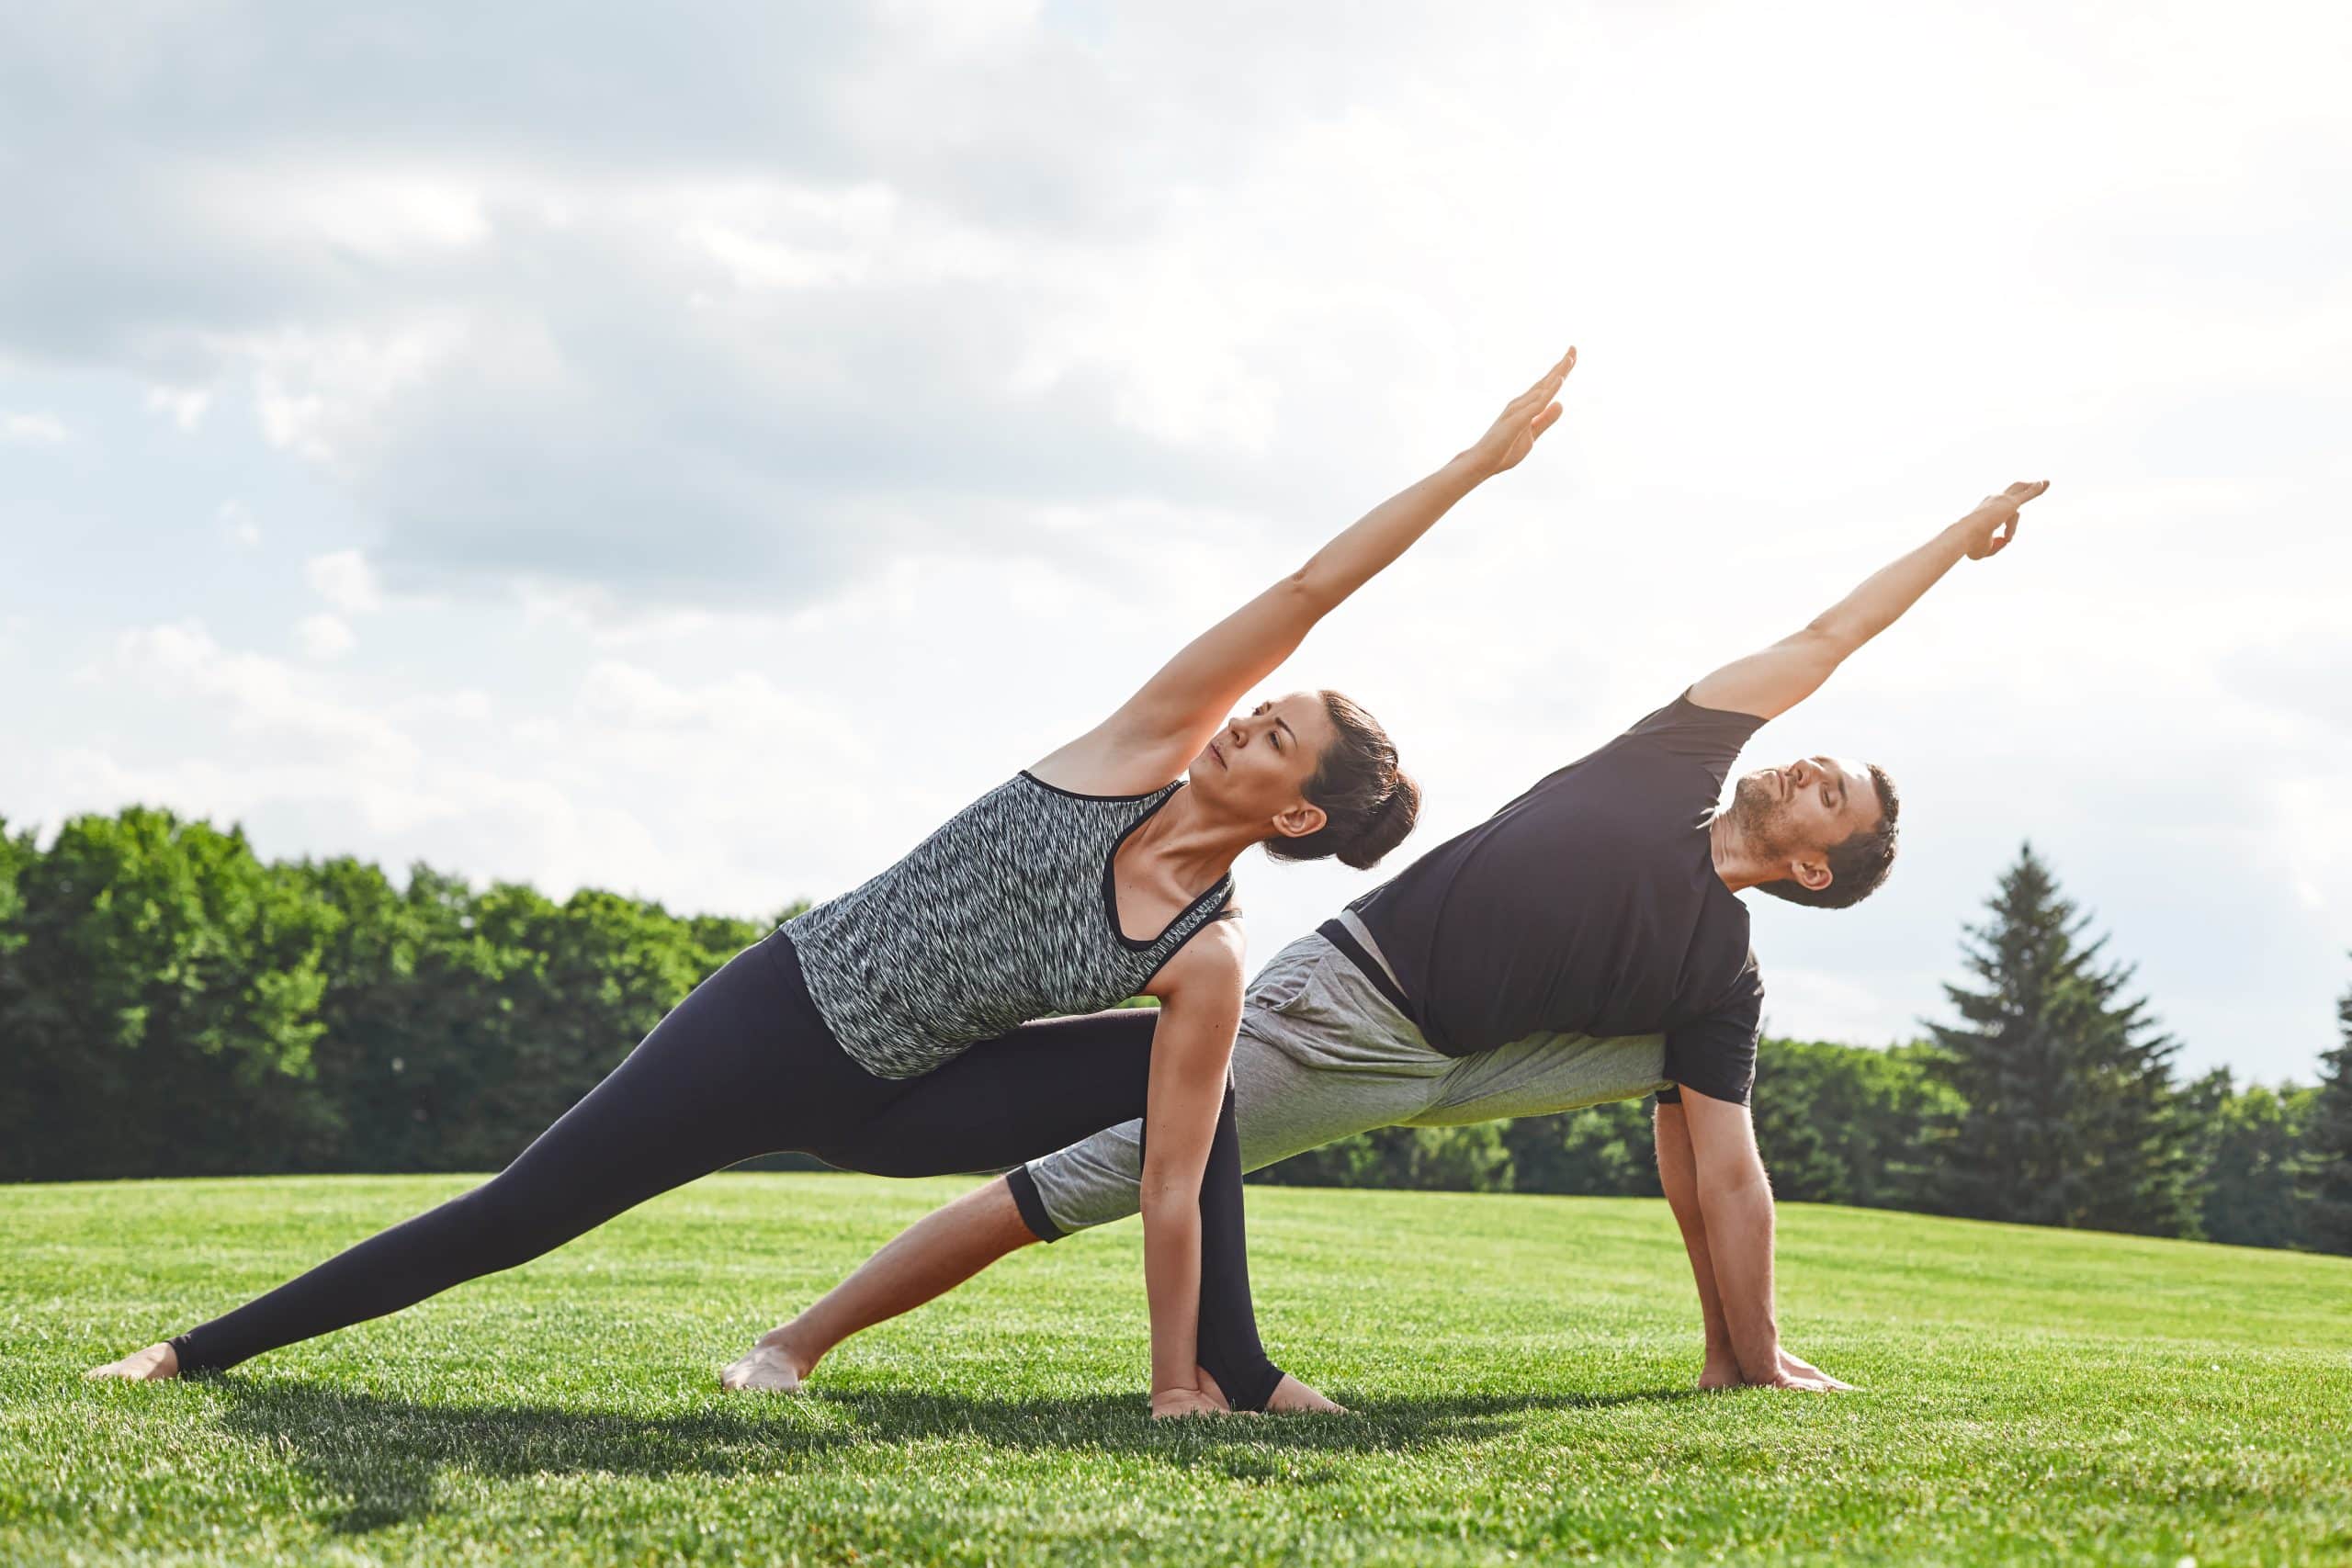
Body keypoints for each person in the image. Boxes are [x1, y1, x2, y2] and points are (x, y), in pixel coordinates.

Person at [85, 348, 1584, 1418]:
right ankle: (190, 1356)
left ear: (1301, 819)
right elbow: (1312, 586)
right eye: (1267, 704)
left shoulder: (1205, 957)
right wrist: (1468, 466)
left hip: (901, 1101)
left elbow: (1176, 1179)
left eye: (1281, 736)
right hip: (780, 1018)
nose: (1253, 717)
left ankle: (1227, 1377)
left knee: (1198, 1101)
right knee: (517, 1214)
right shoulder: (1139, 743)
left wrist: (1167, 1384)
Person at [719, 479, 2052, 1404]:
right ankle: (797, 1343)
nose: (1806, 764)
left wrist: (1754, 1341)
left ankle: (1736, 1357)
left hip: (1484, 1062)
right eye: (1819, 760)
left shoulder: (1723, 974)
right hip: (1347, 1016)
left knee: (1700, 1089)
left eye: (1830, 792)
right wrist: (1950, 541)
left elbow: (1729, 1172)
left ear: (1814, 864)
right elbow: (1828, 635)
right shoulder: (1672, 761)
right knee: (1083, 1179)